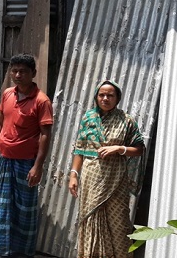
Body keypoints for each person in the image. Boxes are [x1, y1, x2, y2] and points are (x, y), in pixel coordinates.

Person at [0, 53, 54, 257]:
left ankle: (24, 253)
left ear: (33, 73)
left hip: (26, 162)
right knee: (5, 206)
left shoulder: (42, 101)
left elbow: (45, 134)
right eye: (14, 71)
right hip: (5, 159)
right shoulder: (7, 94)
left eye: (23, 71)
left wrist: (38, 166)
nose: (17, 75)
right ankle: (4, 251)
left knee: (25, 209)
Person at [67, 80, 144, 258]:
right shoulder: (88, 119)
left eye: (110, 95)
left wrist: (119, 149)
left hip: (116, 181)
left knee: (119, 223)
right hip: (91, 178)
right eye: (102, 95)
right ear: (96, 96)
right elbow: (79, 149)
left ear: (117, 98)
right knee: (91, 219)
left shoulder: (126, 120)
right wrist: (73, 175)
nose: (105, 98)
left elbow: (139, 149)